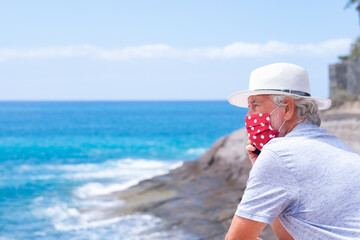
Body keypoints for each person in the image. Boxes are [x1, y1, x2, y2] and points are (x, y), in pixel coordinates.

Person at [224, 63, 360, 240]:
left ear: (287, 108)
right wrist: (264, 171)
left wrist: (269, 163)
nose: (249, 116)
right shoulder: (338, 147)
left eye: (255, 105)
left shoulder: (279, 154)